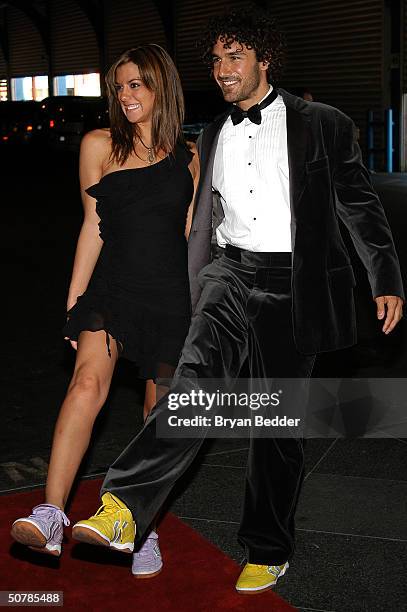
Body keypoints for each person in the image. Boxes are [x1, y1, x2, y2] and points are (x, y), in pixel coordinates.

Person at [71, 7, 404, 594]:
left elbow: (359, 204)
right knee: (194, 387)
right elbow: (201, 219)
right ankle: (123, 504)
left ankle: (267, 547)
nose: (223, 69)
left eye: (235, 57)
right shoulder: (214, 134)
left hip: (293, 286)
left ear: (263, 59)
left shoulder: (323, 122)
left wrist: (385, 275)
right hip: (228, 274)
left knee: (276, 427)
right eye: (217, 59)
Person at [11, 44, 199, 579]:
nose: (125, 95)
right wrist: (74, 301)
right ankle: (50, 515)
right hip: (112, 290)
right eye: (119, 86)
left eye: (136, 84)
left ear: (162, 85)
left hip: (170, 297)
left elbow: (191, 234)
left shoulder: (189, 155)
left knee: (157, 414)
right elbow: (92, 226)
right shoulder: (98, 145)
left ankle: (140, 525)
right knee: (85, 386)